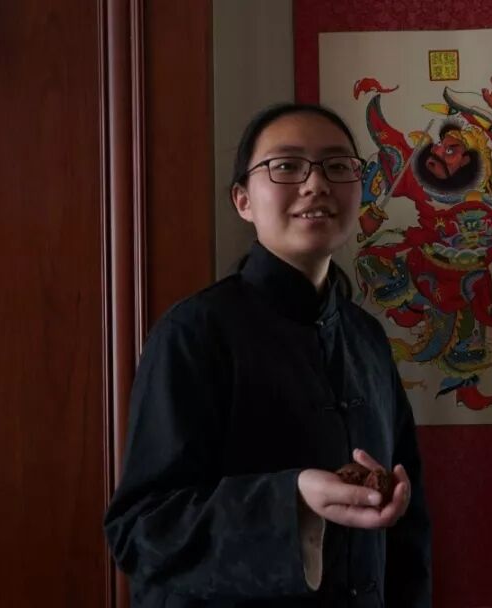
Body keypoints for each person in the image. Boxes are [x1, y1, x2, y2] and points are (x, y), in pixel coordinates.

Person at [103, 103, 433, 607]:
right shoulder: (194, 332)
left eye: (337, 166)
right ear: (243, 200)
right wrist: (293, 500)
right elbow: (141, 530)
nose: (316, 184)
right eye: (286, 166)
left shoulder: (366, 337)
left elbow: (409, 533)